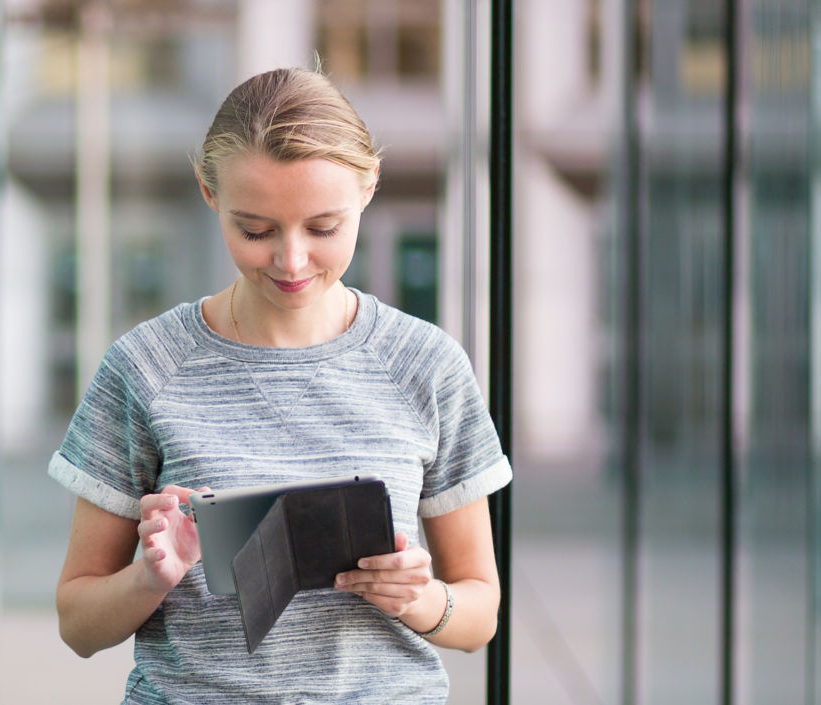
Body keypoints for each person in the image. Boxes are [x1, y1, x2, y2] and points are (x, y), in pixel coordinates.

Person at [51, 67, 511, 703]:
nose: (291, 261)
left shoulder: (426, 365)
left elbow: (479, 616)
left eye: (324, 228)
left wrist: (422, 598)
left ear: (369, 186)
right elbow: (77, 625)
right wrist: (151, 577)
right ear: (210, 194)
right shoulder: (145, 366)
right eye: (256, 230)